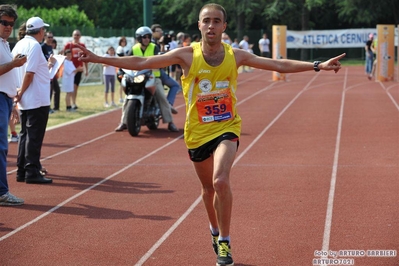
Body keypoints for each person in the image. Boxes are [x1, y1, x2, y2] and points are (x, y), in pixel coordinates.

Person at [77, 3, 345, 265]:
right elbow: (143, 61)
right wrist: (100, 59)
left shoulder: (236, 55)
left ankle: (225, 241)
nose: (211, 25)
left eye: (217, 21)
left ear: (224, 26)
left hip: (227, 127)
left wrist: (317, 65)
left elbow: (277, 64)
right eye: (206, 21)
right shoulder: (186, 55)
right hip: (196, 133)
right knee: (207, 189)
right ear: (199, 25)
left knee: (220, 181)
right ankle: (214, 231)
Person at [12, 16, 56, 184]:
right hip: (36, 98)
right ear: (40, 31)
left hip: (27, 98)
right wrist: (21, 92)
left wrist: (18, 94)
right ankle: (32, 171)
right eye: (43, 30)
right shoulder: (35, 46)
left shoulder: (19, 44)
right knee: (34, 136)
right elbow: (30, 73)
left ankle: (22, 170)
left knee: (24, 134)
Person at [114, 26, 178, 133]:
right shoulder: (134, 49)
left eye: (148, 37)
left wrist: (160, 61)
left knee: (162, 96)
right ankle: (124, 122)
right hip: (137, 77)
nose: (147, 39)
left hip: (153, 76)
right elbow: (127, 61)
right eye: (144, 37)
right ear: (139, 38)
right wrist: (121, 69)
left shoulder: (154, 47)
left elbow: (159, 58)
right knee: (126, 99)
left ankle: (170, 122)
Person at [0, 4, 26, 205]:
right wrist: (14, 64)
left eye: (11, 24)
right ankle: (2, 192)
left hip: (5, 99)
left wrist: (12, 104)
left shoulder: (5, 44)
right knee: (1, 147)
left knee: (2, 146)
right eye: (4, 23)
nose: (8, 27)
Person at [151, 24, 180, 113]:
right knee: (175, 85)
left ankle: (168, 105)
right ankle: (168, 105)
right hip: (153, 72)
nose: (161, 33)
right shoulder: (151, 43)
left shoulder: (158, 43)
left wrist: (162, 44)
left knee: (175, 85)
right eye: (158, 31)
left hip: (158, 71)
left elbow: (162, 56)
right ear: (153, 32)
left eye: (161, 31)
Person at [63, 29, 88, 110]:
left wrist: (86, 69)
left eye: (78, 35)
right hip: (70, 70)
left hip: (79, 69)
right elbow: (64, 55)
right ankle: (69, 104)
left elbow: (86, 58)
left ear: (80, 36)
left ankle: (73, 102)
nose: (76, 36)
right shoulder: (68, 45)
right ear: (72, 36)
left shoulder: (82, 46)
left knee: (75, 86)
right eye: (75, 35)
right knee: (71, 87)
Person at [42, 31, 60, 112]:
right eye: (49, 37)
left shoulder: (50, 47)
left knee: (56, 89)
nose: (50, 39)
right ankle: (47, 108)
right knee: (49, 90)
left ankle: (56, 107)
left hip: (52, 71)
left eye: (52, 37)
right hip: (45, 71)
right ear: (45, 37)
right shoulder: (42, 47)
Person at [116, 36, 129, 103]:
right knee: (122, 83)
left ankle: (125, 96)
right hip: (121, 68)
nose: (123, 43)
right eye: (122, 41)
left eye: (124, 41)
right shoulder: (119, 48)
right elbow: (121, 56)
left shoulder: (126, 48)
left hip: (126, 68)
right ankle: (120, 97)